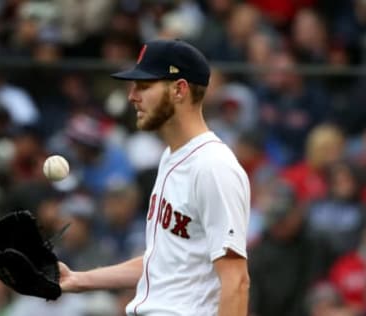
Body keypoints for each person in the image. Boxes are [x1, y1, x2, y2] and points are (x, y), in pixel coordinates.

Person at [59, 39, 251, 316]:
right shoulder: (171, 156)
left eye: (145, 86)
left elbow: (237, 281)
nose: (132, 95)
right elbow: (162, 264)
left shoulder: (213, 167)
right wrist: (77, 280)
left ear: (179, 89)